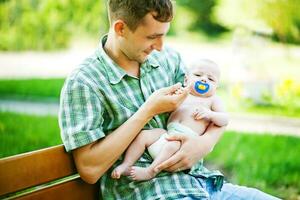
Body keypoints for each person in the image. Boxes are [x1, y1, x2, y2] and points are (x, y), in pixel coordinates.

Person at [59, 0, 280, 199]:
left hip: (202, 184)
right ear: (120, 28)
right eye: (152, 37)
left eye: (164, 34)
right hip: (151, 193)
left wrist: (204, 144)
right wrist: (148, 111)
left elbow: (209, 102)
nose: (161, 46)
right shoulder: (85, 82)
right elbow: (89, 169)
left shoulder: (168, 60)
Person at [111, 59, 229, 181]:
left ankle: (151, 171)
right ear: (186, 79)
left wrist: (210, 115)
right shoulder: (183, 93)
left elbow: (224, 119)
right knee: (144, 135)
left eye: (211, 79)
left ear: (216, 87)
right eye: (198, 75)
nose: (204, 79)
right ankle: (126, 164)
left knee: (172, 145)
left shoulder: (213, 100)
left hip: (183, 143)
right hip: (167, 134)